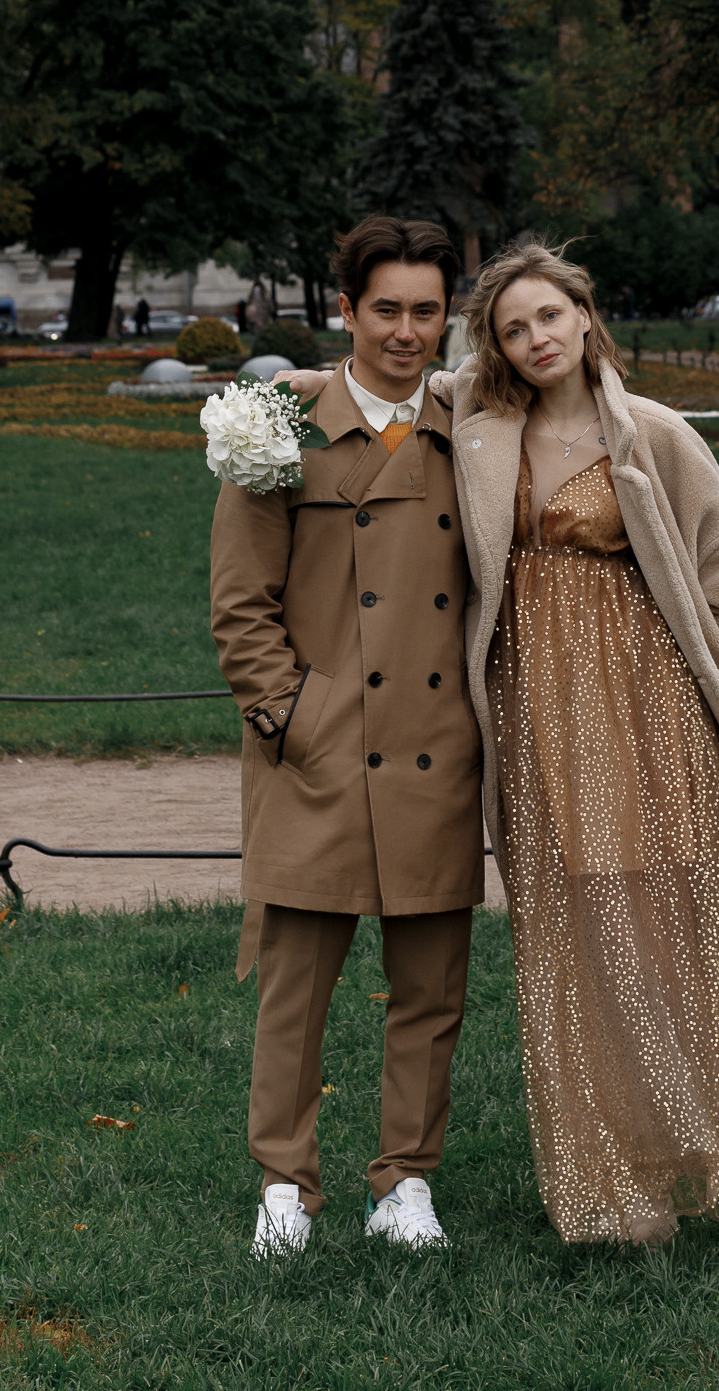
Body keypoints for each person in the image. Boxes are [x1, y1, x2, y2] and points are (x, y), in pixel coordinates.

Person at [448, 240, 719, 1246]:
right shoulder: (481, 432)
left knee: (695, 918)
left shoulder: (654, 433)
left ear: (584, 316)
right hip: (537, 720)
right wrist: (308, 381)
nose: (536, 337)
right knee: (578, 936)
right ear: (495, 349)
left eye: (549, 315)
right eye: (513, 328)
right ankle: (616, 1179)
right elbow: (406, 380)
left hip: (653, 712)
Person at [209, 216, 482, 1259]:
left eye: (426, 311)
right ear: (346, 310)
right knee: (295, 990)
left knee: (430, 990)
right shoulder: (276, 427)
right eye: (386, 310)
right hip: (315, 751)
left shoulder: (474, 428)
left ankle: (405, 1181)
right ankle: (284, 1183)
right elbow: (241, 604)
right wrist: (288, 718)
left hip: (437, 744)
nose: (406, 332)